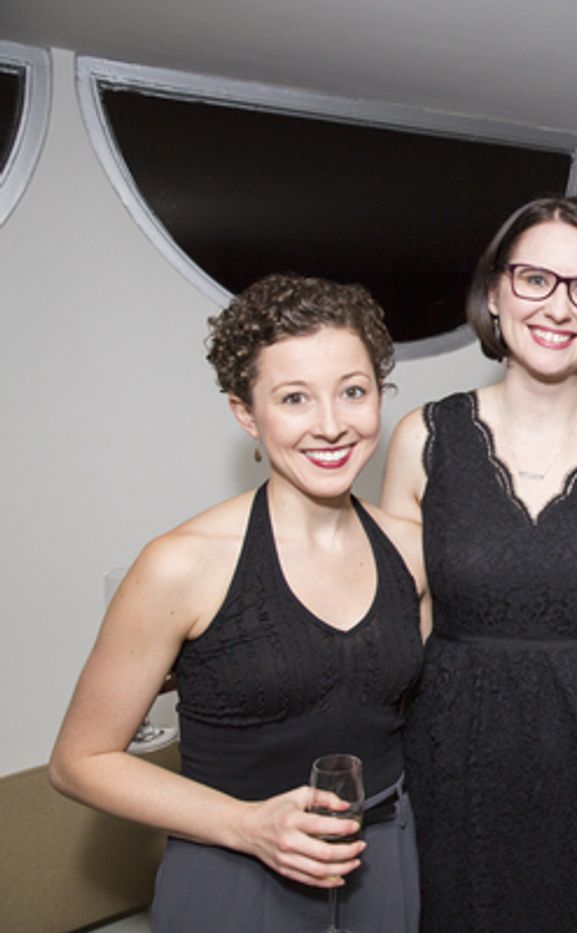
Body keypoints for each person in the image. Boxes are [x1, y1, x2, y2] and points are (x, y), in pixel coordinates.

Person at [49, 274, 427, 932]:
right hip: (233, 871)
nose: (332, 424)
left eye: (354, 391)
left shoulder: (412, 550)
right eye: (294, 398)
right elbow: (78, 762)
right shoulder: (181, 563)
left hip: (384, 858)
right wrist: (247, 825)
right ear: (245, 412)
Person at [380, 196, 577, 932]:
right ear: (494, 291)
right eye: (535, 279)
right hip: (458, 766)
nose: (560, 306)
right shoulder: (425, 437)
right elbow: (391, 619)